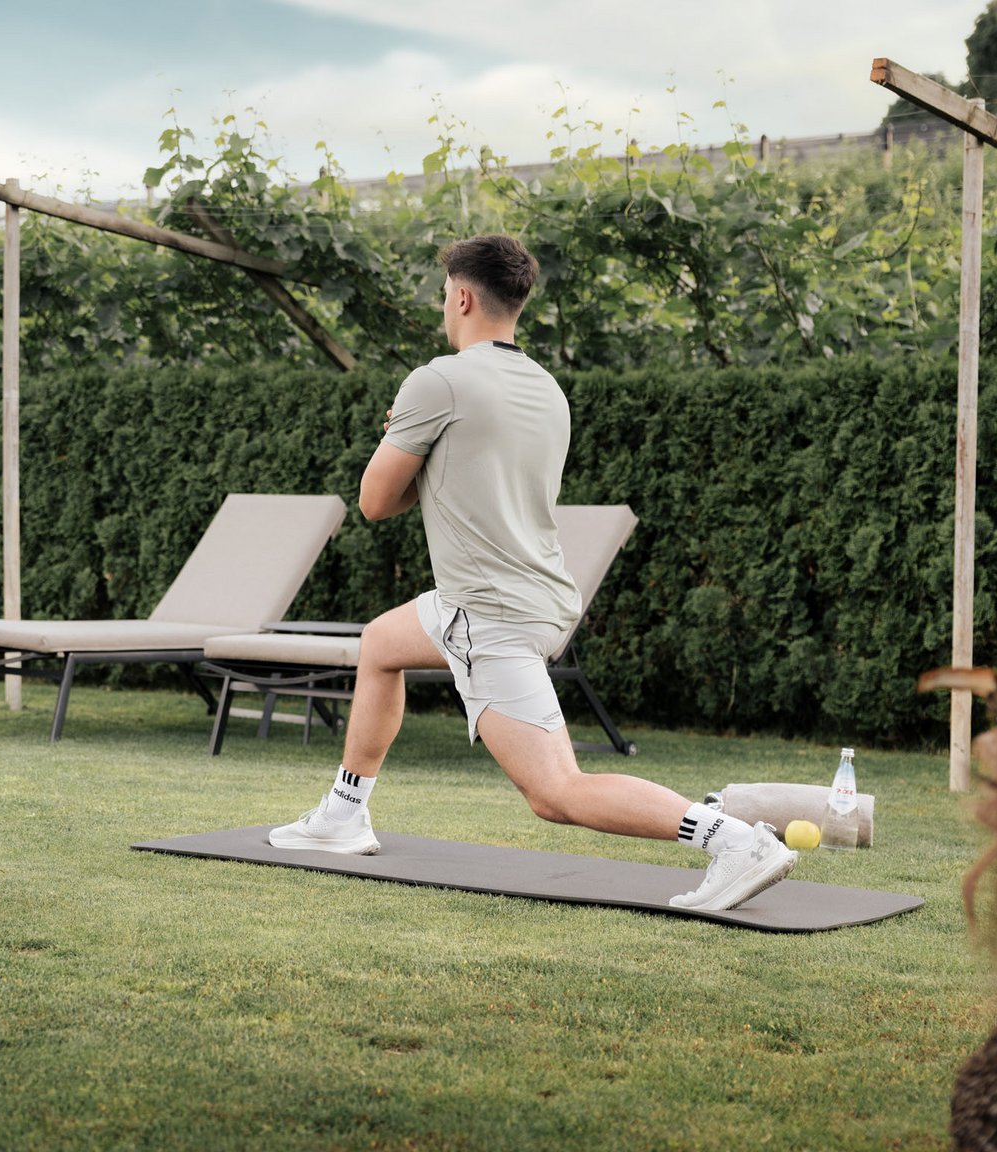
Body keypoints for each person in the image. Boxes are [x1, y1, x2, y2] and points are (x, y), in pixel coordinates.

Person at [267, 234, 796, 912]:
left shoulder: (438, 380)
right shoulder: (546, 390)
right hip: (527, 597)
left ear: (461, 296)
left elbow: (375, 503)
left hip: (486, 612)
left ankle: (733, 841)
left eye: (442, 295)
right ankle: (344, 812)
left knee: (555, 793)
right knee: (381, 645)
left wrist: (400, 434)